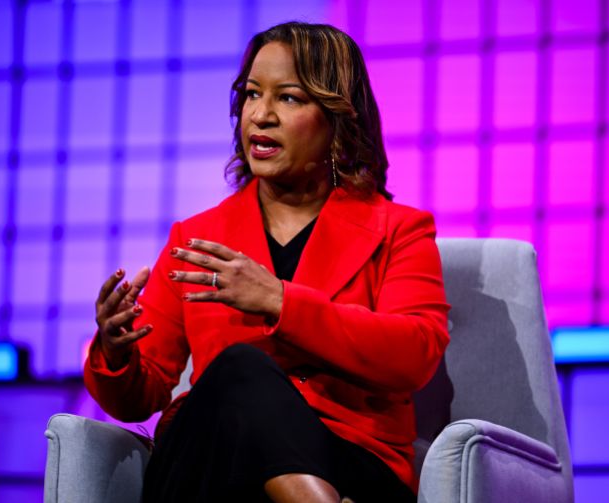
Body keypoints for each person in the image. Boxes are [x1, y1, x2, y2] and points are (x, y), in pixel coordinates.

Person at [84, 21, 450, 503]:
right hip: (212, 464)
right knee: (238, 372)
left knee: (241, 369)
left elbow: (414, 353)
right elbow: (140, 396)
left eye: (289, 98)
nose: (261, 115)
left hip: (347, 462)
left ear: (338, 116)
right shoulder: (196, 237)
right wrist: (116, 350)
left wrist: (280, 301)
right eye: (253, 95)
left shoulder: (398, 229)